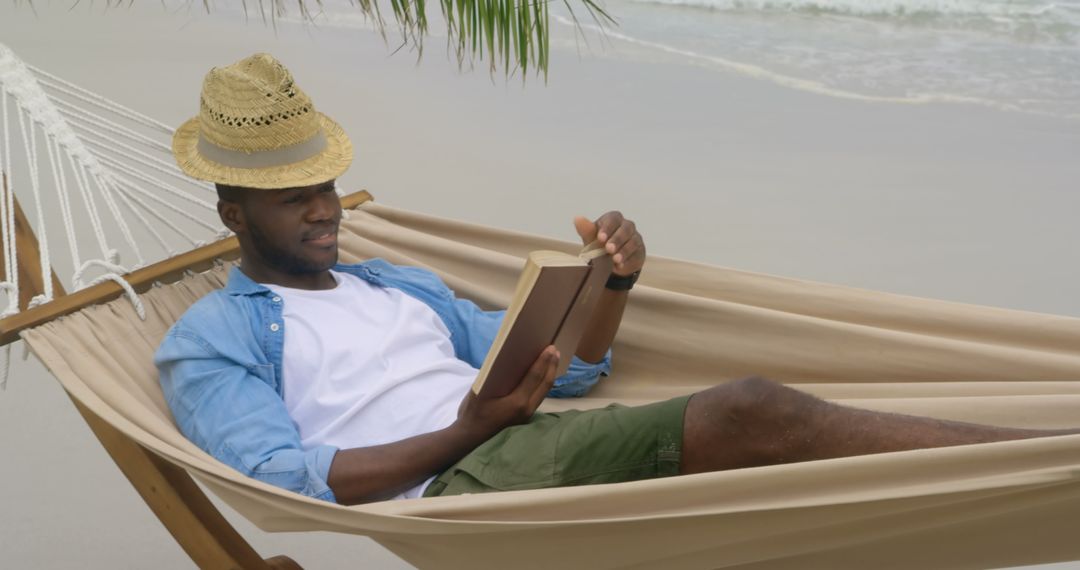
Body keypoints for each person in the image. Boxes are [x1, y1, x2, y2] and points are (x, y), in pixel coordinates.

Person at [156, 53, 1080, 506]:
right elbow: (289, 481)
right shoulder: (212, 339)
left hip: (515, 443)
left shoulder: (397, 283)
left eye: (321, 187)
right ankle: (1048, 461)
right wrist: (465, 431)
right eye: (289, 199)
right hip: (453, 487)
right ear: (232, 213)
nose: (322, 210)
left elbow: (569, 370)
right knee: (756, 410)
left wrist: (615, 284)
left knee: (766, 444)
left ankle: (1040, 461)